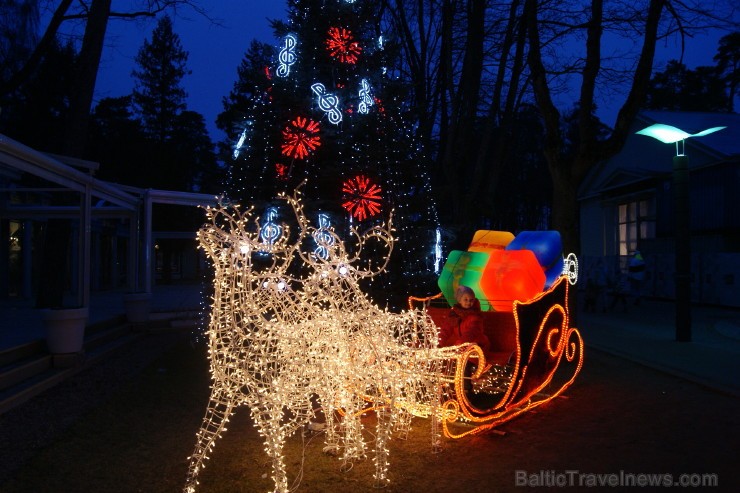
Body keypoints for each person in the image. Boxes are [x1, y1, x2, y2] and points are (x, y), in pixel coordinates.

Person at [440, 285, 492, 359]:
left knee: (461, 361)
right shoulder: (454, 314)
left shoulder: (476, 316)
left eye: (471, 300)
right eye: (466, 299)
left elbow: (471, 332)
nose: (468, 302)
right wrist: (439, 343)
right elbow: (445, 330)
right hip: (462, 347)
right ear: (460, 300)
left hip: (477, 346)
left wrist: (459, 345)